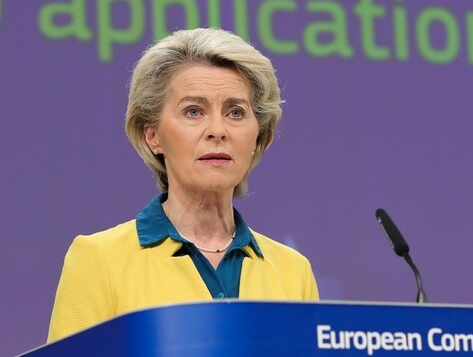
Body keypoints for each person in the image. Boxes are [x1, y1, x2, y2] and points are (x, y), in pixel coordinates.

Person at [47, 28, 319, 342]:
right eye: (193, 111)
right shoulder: (99, 260)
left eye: (236, 112)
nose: (217, 130)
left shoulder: (293, 271)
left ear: (258, 137)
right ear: (153, 135)